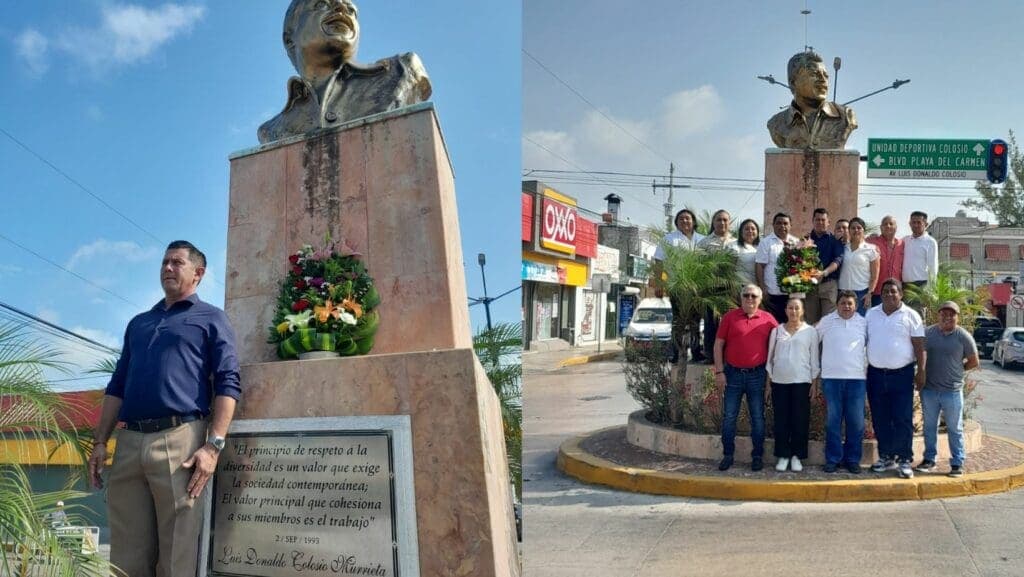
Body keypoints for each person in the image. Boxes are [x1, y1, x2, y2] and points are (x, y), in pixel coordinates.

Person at [88, 241, 241, 577]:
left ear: (198, 273)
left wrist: (213, 446)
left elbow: (228, 381)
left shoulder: (212, 319)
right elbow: (117, 386)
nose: (168, 268)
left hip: (180, 440)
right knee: (125, 557)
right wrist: (100, 441)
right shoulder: (139, 323)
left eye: (177, 262)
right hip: (129, 442)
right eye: (164, 262)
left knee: (175, 557)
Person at [258, 0, 432, 143]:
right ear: (289, 40)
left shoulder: (402, 71)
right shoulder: (272, 130)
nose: (341, 7)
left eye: (351, 9)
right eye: (322, 4)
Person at [713, 284, 779, 472]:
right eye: (746, 295)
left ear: (760, 299)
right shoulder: (729, 317)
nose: (750, 299)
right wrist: (719, 372)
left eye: (754, 296)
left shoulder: (768, 319)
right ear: (740, 298)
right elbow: (718, 345)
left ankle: (757, 456)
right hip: (732, 374)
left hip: (757, 376)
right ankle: (728, 455)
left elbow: (781, 343)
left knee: (757, 417)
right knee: (729, 417)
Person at [866, 279, 925, 479]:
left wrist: (921, 371)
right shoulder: (871, 314)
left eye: (893, 291)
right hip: (875, 374)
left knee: (902, 418)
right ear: (881, 294)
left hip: (902, 374)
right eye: (886, 291)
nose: (889, 294)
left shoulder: (911, 315)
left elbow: (919, 346)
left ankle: (905, 459)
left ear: (901, 294)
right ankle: (886, 456)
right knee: (880, 418)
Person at [916, 301, 979, 477]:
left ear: (957, 317)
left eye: (952, 314)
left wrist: (959, 370)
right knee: (929, 427)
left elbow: (974, 361)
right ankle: (929, 459)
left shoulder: (963, 336)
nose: (947, 317)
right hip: (929, 390)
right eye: (944, 314)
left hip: (952, 391)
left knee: (954, 428)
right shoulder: (928, 333)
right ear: (938, 315)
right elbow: (919, 354)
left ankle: (957, 463)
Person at [816, 290, 868, 474]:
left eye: (850, 303)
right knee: (833, 421)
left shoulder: (864, 323)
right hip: (831, 379)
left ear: (856, 306)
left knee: (856, 422)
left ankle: (852, 460)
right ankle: (833, 459)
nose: (846, 306)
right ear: (837, 304)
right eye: (843, 303)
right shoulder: (826, 321)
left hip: (857, 380)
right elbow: (812, 340)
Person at [765, 298, 819, 472]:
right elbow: (770, 359)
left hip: (802, 381)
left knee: (800, 420)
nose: (793, 311)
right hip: (779, 381)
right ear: (786, 310)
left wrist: (814, 383)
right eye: (790, 308)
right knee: (781, 420)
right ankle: (783, 455)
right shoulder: (777, 331)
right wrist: (768, 383)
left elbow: (814, 360)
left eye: (797, 308)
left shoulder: (810, 331)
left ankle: (797, 455)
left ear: (802, 311)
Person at [766, 50, 857, 150]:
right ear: (793, 82)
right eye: (814, 74)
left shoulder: (845, 116)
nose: (823, 80)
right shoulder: (776, 124)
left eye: (826, 76)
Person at [656, 208, 706, 363]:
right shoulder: (669, 239)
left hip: (697, 288)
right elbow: (658, 261)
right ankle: (676, 353)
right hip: (677, 287)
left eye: (688, 218)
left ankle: (696, 353)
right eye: (681, 218)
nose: (685, 221)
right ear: (676, 222)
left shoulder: (702, 240)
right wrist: (659, 284)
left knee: (695, 322)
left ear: (693, 221)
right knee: (678, 321)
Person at [698, 209, 734, 362]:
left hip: (731, 288)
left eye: (725, 220)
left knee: (729, 322)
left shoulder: (735, 242)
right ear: (713, 222)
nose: (722, 222)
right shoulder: (704, 242)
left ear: (729, 223)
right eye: (719, 219)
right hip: (710, 287)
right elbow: (699, 266)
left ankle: (728, 355)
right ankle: (710, 355)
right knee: (711, 323)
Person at [755, 212, 800, 323]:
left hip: (792, 294)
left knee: (790, 324)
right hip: (772, 293)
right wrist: (763, 289)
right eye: (779, 223)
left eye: (785, 223)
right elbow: (760, 266)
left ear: (790, 225)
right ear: (773, 225)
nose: (782, 226)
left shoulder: (796, 242)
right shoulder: (766, 242)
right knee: (773, 324)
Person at [804, 208, 844, 324]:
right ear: (813, 221)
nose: (820, 222)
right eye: (817, 220)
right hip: (810, 287)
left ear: (828, 222)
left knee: (828, 321)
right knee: (810, 321)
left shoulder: (835, 240)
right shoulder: (805, 240)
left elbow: (837, 261)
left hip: (829, 285)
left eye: (823, 220)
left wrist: (824, 272)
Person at [838, 217, 879, 315]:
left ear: (864, 230)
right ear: (849, 230)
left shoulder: (871, 250)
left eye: (859, 228)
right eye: (853, 228)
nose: (856, 230)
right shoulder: (842, 247)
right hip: (842, 292)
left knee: (860, 322)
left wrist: (869, 293)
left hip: (861, 294)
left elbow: (874, 276)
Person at [867, 215, 904, 307]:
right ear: (881, 227)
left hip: (896, 291)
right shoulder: (871, 242)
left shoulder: (902, 244)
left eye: (891, 224)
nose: (888, 226)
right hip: (877, 291)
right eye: (885, 224)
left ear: (896, 227)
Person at [902, 211, 938, 287]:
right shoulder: (905, 240)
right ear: (910, 224)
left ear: (926, 224)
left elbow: (933, 267)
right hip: (904, 285)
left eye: (919, 222)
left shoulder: (930, 242)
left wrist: (931, 287)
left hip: (921, 285)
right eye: (913, 222)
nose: (916, 225)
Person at [730, 218, 760, 286]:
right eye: (746, 229)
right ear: (741, 232)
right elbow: (729, 271)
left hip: (757, 287)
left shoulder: (761, 247)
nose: (750, 231)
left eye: (753, 229)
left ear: (757, 232)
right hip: (740, 286)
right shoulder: (734, 246)